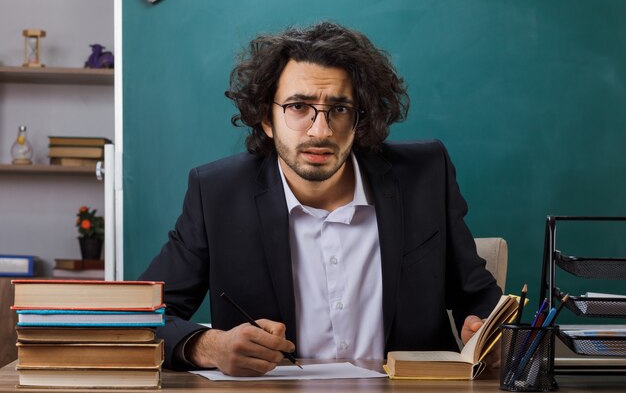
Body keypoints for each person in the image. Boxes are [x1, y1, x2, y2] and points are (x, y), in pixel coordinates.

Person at [139, 21, 502, 376]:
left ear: (360, 118)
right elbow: (142, 315)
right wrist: (208, 347)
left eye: (339, 109)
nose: (320, 130)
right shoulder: (216, 193)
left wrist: (487, 328)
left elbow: (478, 296)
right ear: (266, 117)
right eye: (298, 106)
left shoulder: (424, 175)